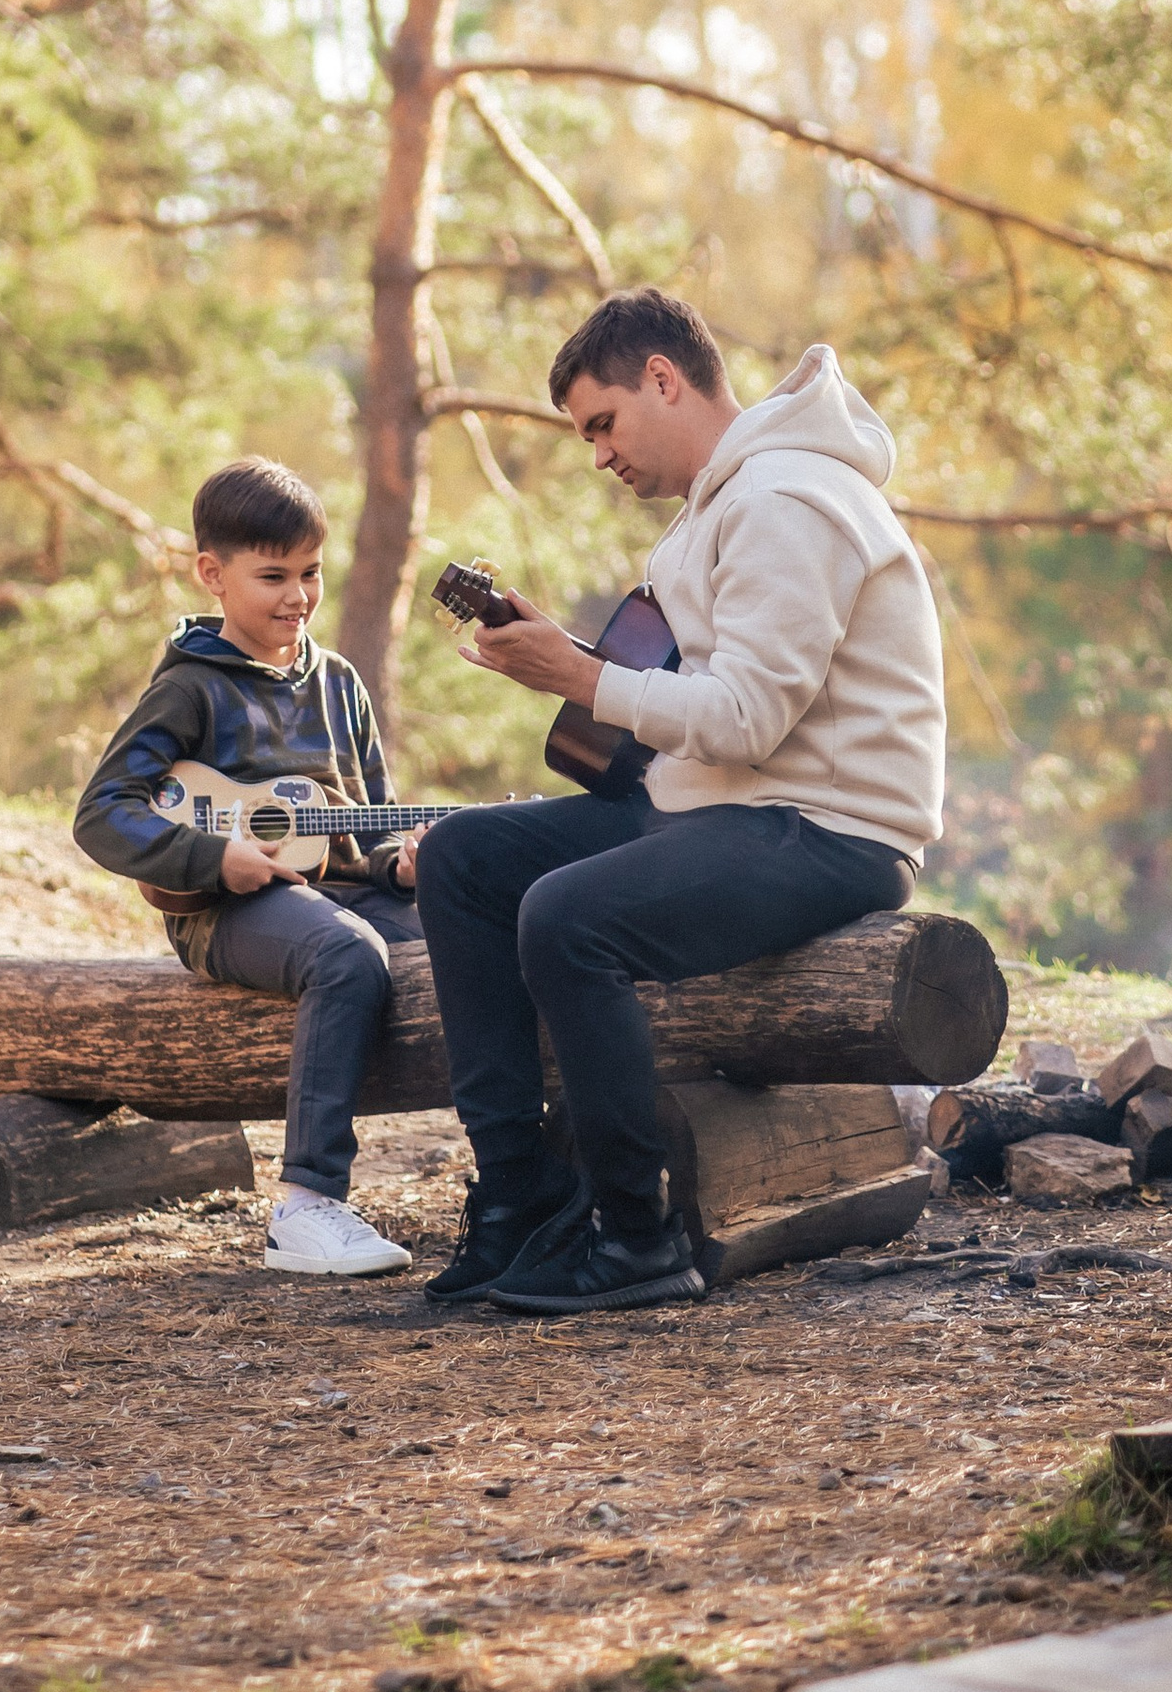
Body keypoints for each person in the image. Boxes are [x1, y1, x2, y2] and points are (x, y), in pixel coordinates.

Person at [400, 289, 941, 1315]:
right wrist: (576, 666)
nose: (598, 455)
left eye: (602, 423)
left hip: (828, 827)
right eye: (583, 436)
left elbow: (746, 719)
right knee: (467, 860)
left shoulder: (787, 499)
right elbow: (695, 715)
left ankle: (634, 1232)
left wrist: (579, 678)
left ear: (663, 377)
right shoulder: (712, 512)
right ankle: (521, 1197)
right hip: (722, 806)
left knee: (565, 916)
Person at [73, 456, 417, 1280]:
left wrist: (398, 868)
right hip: (221, 911)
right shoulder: (190, 689)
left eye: (311, 573)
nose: (297, 596)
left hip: (331, 892)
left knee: (473, 922)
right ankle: (305, 1206)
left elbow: (366, 823)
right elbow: (102, 812)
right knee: (346, 954)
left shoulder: (339, 685)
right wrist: (213, 856)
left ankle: (529, 1171)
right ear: (213, 574)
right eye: (273, 576)